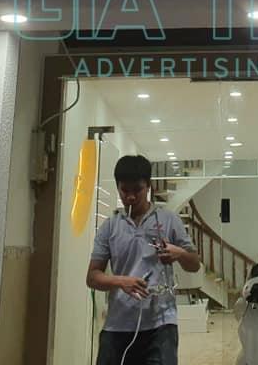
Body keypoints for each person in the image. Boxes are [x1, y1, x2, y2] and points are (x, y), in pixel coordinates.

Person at [87, 154, 201, 365]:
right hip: (117, 325)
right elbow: (92, 277)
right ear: (117, 187)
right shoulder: (110, 226)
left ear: (148, 186)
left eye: (137, 190)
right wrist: (121, 282)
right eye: (124, 190)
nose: (130, 197)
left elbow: (194, 265)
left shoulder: (169, 220)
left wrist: (179, 253)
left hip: (161, 324)